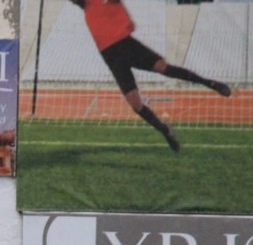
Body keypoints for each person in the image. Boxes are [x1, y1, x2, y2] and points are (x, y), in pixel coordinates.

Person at [71, 0, 231, 152]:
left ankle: (210, 83)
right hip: (111, 57)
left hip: (126, 45)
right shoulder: (87, 10)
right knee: (135, 103)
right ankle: (165, 130)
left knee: (164, 68)